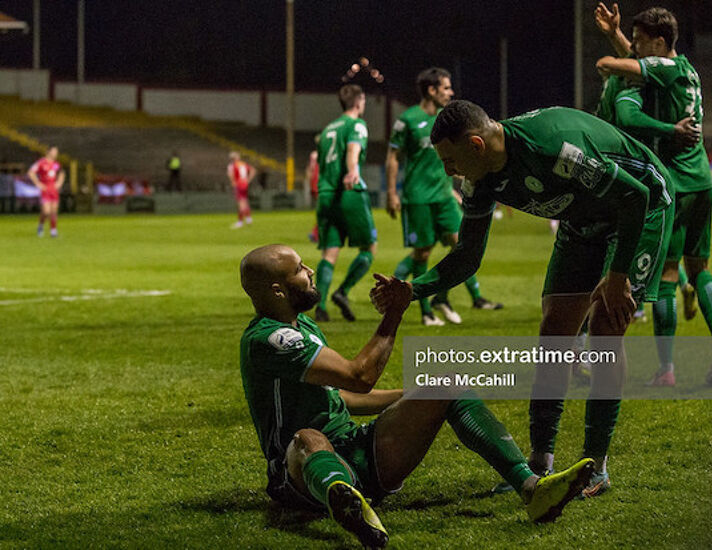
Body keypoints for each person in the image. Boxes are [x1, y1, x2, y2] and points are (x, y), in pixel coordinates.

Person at [371, 101, 674, 498]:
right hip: (582, 221)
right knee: (554, 336)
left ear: (476, 145)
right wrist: (415, 289)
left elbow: (633, 195)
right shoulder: (479, 179)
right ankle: (540, 462)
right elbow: (467, 255)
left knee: (604, 332)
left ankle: (597, 466)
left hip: (641, 207)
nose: (448, 171)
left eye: (450, 160)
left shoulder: (554, 149)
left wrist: (617, 276)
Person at [240, 243, 594, 548]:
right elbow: (359, 377)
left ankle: (533, 488)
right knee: (309, 437)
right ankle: (342, 497)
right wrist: (394, 313)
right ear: (277, 291)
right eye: (300, 269)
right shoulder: (270, 339)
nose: (310, 270)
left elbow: (344, 397)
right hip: (297, 475)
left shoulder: (302, 326)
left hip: (358, 452)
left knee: (448, 384)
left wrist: (421, 397)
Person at [595, 4, 712, 387]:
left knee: (669, 274)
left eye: (640, 40)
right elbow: (640, 61)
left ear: (658, 41)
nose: (634, 46)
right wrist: (615, 34)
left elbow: (626, 67)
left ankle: (666, 370)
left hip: (676, 182)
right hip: (702, 179)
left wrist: (608, 58)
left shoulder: (666, 69)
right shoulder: (684, 69)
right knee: (700, 268)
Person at [386, 67, 502, 327]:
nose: (450, 93)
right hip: (418, 197)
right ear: (432, 90)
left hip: (443, 195)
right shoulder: (407, 119)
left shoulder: (446, 121)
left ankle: (442, 298)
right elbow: (393, 157)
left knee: (461, 244)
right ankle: (425, 311)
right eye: (446, 88)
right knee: (423, 252)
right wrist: (392, 192)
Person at [313, 84, 377, 322]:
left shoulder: (328, 128)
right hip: (349, 192)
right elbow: (353, 150)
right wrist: (352, 172)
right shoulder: (357, 124)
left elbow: (321, 163)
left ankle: (320, 307)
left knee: (330, 253)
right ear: (359, 102)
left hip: (326, 194)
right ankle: (343, 292)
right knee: (369, 248)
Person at [28, 146, 64, 238]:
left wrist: (59, 183)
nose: (56, 154)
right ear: (48, 152)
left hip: (54, 190)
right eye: (54, 151)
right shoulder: (41, 163)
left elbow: (62, 173)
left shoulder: (56, 164)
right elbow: (31, 172)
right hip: (45, 189)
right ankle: (41, 225)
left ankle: (53, 231)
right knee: (46, 211)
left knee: (54, 211)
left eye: (57, 152)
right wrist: (38, 183)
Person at [227, 151, 255, 229]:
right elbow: (253, 170)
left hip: (239, 184)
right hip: (245, 184)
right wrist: (248, 180)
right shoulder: (243, 164)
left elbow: (231, 175)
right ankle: (249, 219)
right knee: (245, 201)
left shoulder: (232, 165)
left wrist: (233, 182)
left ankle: (240, 222)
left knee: (241, 203)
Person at [305, 148, 320, 242]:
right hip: (322, 184)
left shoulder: (313, 154)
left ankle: (316, 233)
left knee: (323, 210)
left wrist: (310, 182)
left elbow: (309, 170)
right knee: (325, 211)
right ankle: (315, 234)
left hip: (315, 184)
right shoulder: (326, 153)